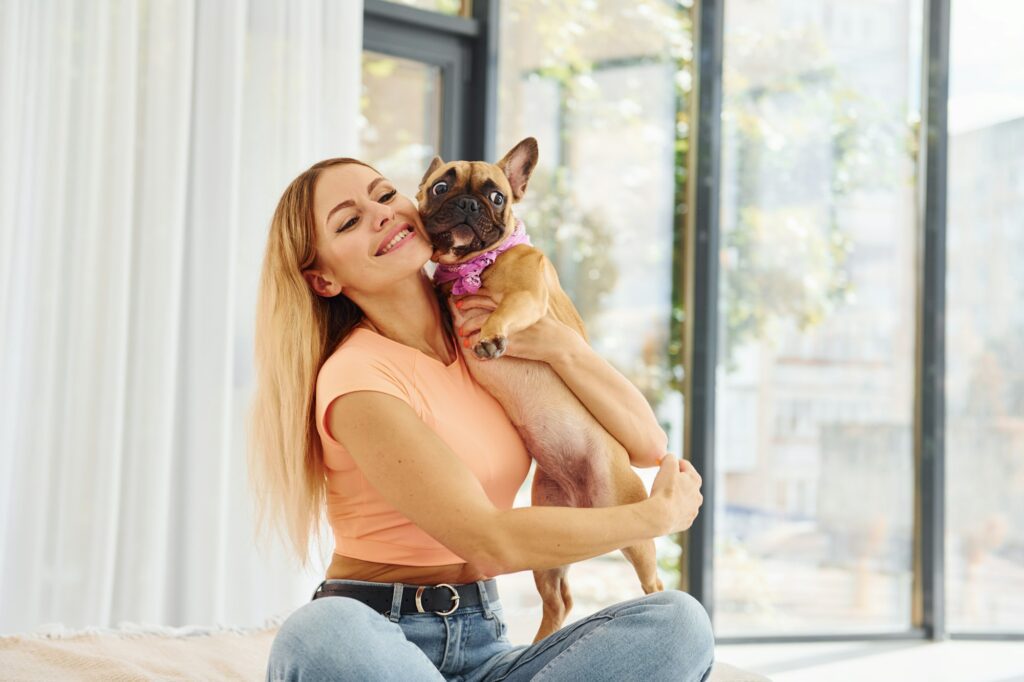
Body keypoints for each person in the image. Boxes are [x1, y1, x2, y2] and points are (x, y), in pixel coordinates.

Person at [247, 156, 715, 682]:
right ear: (323, 278)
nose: (379, 214)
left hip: (488, 645)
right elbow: (489, 542)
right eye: (349, 221)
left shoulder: (488, 333)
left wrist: (562, 348)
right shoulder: (358, 377)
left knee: (680, 623)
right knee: (321, 631)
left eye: (383, 195)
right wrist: (655, 517)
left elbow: (647, 445)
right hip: (377, 639)